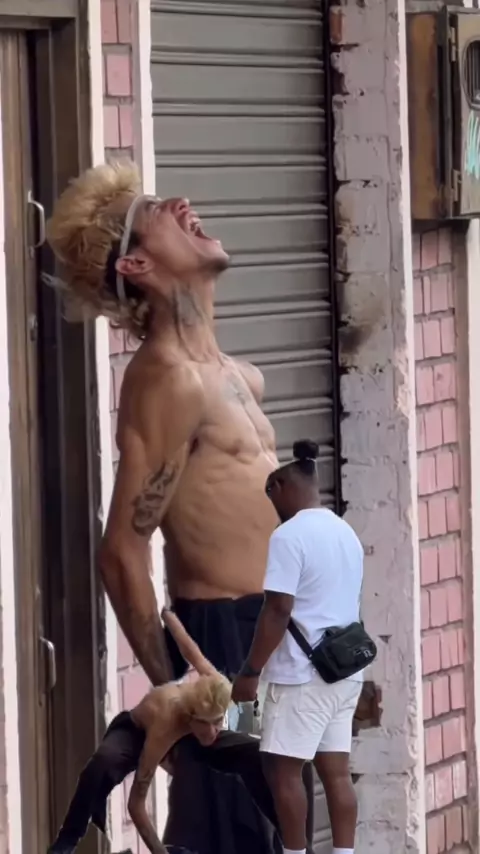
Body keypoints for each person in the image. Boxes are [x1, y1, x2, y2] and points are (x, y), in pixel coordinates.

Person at [46, 160, 314, 854]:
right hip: (222, 640)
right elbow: (122, 551)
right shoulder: (165, 378)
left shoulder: (235, 377)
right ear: (135, 264)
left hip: (272, 635)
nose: (183, 202)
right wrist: (183, 693)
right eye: (157, 209)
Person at [232, 440, 364, 854]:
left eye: (269, 494)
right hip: (344, 671)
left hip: (301, 677)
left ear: (281, 486)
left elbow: (277, 610)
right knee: (336, 774)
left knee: (281, 770)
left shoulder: (288, 536)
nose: (271, 504)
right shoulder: (346, 532)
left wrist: (250, 672)